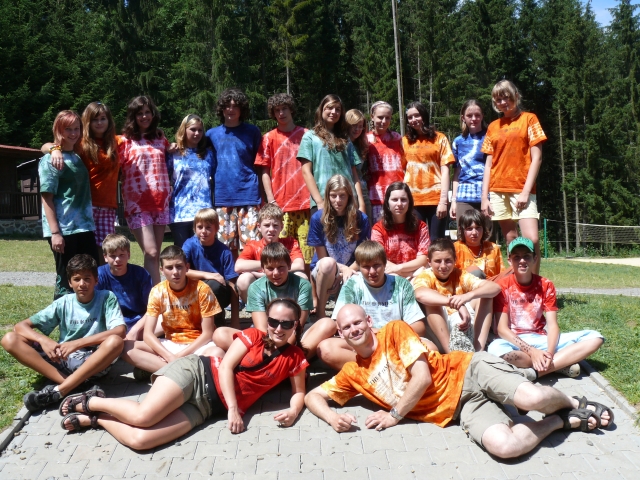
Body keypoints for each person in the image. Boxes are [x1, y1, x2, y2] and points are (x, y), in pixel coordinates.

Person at [304, 304, 614, 459]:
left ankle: (575, 401)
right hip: (460, 408)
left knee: (532, 400)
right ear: (340, 334)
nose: (354, 330)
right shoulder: (352, 374)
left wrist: (394, 415)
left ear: (368, 321)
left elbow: (422, 377)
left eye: (357, 322)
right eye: (347, 328)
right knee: (504, 447)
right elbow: (312, 397)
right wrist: (332, 418)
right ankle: (561, 421)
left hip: (468, 370)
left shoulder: (394, 331)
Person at [60, 299, 309, 449]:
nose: (278, 328)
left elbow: (299, 392)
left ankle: (97, 419)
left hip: (208, 408)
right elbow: (225, 367)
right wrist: (234, 409)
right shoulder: (253, 335)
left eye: (286, 324)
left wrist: (293, 411)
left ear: (295, 325)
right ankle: (91, 401)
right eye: (273, 321)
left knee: (140, 441)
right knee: (143, 417)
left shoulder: (295, 357)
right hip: (197, 374)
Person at [1, 254, 125, 412]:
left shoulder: (106, 298)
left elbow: (120, 331)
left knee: (115, 341)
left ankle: (60, 390)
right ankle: (76, 386)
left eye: (87, 279)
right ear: (70, 282)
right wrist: (44, 341)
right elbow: (20, 326)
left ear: (96, 280)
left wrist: (77, 343)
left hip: (93, 361)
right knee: (9, 339)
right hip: (63, 359)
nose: (82, 284)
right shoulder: (63, 302)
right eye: (77, 279)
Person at [489, 237, 604, 378]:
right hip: (514, 341)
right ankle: (559, 364)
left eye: (527, 256)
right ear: (509, 261)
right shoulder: (502, 286)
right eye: (516, 257)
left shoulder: (546, 285)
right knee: (496, 350)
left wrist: (549, 352)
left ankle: (537, 371)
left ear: (535, 259)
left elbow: (553, 325)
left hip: (540, 339)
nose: (522, 261)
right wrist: (532, 351)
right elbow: (502, 329)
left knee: (595, 337)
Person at [317, 241, 427, 370]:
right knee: (326, 348)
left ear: (385, 264)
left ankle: (376, 369)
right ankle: (382, 369)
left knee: (430, 348)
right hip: (362, 343)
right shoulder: (352, 284)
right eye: (366, 267)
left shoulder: (401, 285)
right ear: (358, 267)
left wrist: (382, 333)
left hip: (394, 341)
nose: (372, 271)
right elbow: (340, 323)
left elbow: (419, 327)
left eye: (376, 265)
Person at [215, 242, 334, 359]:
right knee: (220, 334)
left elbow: (299, 325)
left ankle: (278, 360)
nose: (276, 273)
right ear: (263, 269)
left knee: (328, 324)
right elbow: (262, 328)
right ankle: (292, 360)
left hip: (296, 333)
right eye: (270, 268)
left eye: (281, 268)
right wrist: (273, 346)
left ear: (289, 266)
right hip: (268, 335)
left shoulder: (303, 285)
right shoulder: (255, 287)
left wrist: (284, 348)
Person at [122, 245, 220, 379]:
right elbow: (148, 335)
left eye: (179, 266)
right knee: (126, 347)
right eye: (169, 267)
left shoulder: (202, 289)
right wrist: (169, 357)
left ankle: (165, 371)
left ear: (187, 267)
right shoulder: (157, 291)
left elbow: (208, 333)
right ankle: (186, 373)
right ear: (162, 270)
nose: (175, 272)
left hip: (198, 344)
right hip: (170, 344)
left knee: (217, 353)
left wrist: (178, 357)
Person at [481, 80, 547, 274]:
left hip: (521, 188)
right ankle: (519, 284)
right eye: (498, 99)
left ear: (516, 96)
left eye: (506, 97)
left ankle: (535, 283)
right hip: (497, 189)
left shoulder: (529, 119)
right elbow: (488, 164)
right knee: (511, 239)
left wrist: (525, 192)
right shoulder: (493, 126)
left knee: (531, 239)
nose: (503, 102)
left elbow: (537, 158)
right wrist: (484, 197)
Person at [41, 102, 121, 253]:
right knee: (86, 255)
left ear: (109, 120)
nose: (99, 123)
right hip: (85, 206)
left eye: (103, 118)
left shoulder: (116, 142)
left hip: (107, 205)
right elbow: (45, 146)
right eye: (94, 119)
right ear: (87, 122)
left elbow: (137, 137)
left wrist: (158, 133)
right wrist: (54, 149)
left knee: (106, 252)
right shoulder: (80, 143)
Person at [39, 110, 99, 298]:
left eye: (76, 129)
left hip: (84, 226)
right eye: (68, 129)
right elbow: (46, 198)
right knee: (66, 279)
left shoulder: (76, 155)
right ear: (58, 130)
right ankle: (62, 313)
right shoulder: (50, 159)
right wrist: (55, 233)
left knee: (89, 275)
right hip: (64, 229)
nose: (73, 133)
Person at [255, 93, 313, 272]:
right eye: (277, 110)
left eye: (284, 109)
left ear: (291, 110)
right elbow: (264, 171)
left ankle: (309, 288)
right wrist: (271, 200)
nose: (281, 113)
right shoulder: (268, 138)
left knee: (308, 253)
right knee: (281, 253)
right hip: (281, 205)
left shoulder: (307, 135)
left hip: (305, 204)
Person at [413, 238, 501, 353]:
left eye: (448, 261)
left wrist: (467, 296)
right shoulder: (426, 276)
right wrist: (456, 304)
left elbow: (495, 288)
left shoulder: (460, 274)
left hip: (460, 322)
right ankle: (451, 354)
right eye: (438, 261)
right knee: (432, 302)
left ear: (455, 260)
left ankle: (477, 350)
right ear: (429, 262)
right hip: (438, 330)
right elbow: (419, 294)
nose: (443, 266)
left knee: (485, 295)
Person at [118, 95, 172, 285]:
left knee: (155, 255)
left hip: (160, 202)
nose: (144, 116)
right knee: (151, 252)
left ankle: (153, 295)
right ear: (133, 116)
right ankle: (152, 297)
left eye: (147, 112)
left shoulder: (160, 138)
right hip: (137, 204)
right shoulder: (124, 141)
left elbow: (171, 154)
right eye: (139, 113)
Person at [206, 88, 262, 254]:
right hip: (223, 197)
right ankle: (230, 273)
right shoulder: (211, 134)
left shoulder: (252, 132)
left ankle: (249, 273)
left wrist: (264, 196)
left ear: (241, 109)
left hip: (249, 195)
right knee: (226, 248)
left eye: (235, 106)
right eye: (227, 106)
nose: (230, 109)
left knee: (251, 247)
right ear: (221, 109)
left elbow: (260, 165)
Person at [307, 175, 370, 319]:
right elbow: (322, 258)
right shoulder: (318, 219)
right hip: (325, 270)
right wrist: (343, 269)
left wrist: (346, 271)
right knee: (328, 264)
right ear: (327, 196)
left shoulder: (361, 219)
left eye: (342, 196)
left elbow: (363, 255)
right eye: (333, 196)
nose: (338, 200)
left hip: (352, 269)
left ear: (349, 196)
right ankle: (321, 313)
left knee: (344, 311)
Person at [297, 94, 365, 214]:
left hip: (348, 201)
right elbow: (306, 172)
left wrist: (361, 203)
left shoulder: (345, 138)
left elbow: (354, 174)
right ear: (321, 109)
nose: (334, 112)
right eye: (329, 107)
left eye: (337, 109)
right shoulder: (310, 137)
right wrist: (319, 202)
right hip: (323, 200)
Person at [403, 101, 455, 240]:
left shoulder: (440, 138)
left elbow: (445, 171)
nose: (414, 119)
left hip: (436, 199)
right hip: (413, 200)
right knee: (416, 240)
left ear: (424, 116)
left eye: (417, 115)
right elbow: (402, 171)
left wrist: (443, 201)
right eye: (410, 117)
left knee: (436, 241)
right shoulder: (405, 141)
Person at [235, 204, 306, 303]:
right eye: (267, 225)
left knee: (301, 276)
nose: (271, 229)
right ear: (259, 227)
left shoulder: (290, 243)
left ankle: (294, 310)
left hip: (284, 282)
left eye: (275, 225)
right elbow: (238, 266)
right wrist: (272, 267)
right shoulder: (253, 245)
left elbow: (299, 265)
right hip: (262, 288)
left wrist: (263, 272)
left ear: (281, 227)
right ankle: (256, 309)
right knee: (244, 279)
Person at [182, 208, 239, 328]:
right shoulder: (189, 244)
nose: (203, 231)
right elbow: (182, 270)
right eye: (200, 227)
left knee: (213, 285)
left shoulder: (224, 252)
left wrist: (235, 321)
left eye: (208, 227)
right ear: (194, 228)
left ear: (216, 229)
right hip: (194, 291)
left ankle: (216, 318)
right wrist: (209, 275)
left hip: (218, 292)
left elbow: (232, 285)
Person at [167, 114, 214, 247]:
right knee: (182, 254)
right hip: (179, 213)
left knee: (203, 254)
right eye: (193, 129)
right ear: (184, 130)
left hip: (203, 213)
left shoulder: (208, 154)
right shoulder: (173, 153)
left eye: (200, 130)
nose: (197, 133)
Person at [96, 233, 155, 341]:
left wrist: (135, 330)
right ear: (105, 257)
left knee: (163, 319)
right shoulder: (99, 275)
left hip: (139, 321)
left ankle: (128, 340)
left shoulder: (141, 274)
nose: (117, 259)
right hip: (111, 323)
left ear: (128, 255)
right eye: (112, 256)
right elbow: (95, 308)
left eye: (122, 255)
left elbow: (152, 308)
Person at [371, 182, 430, 279]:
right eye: (394, 200)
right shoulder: (378, 229)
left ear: (409, 202)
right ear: (387, 203)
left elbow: (423, 259)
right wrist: (405, 274)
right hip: (390, 274)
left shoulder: (421, 227)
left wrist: (399, 268)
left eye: (403, 200)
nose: (399, 204)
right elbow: (378, 258)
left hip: (416, 273)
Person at [365, 101, 405, 222]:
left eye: (387, 118)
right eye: (380, 117)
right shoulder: (366, 139)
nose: (384, 121)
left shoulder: (397, 138)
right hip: (375, 196)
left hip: (397, 195)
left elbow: (405, 164)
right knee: (378, 230)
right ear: (372, 117)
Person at [450, 100, 488, 220]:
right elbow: (456, 173)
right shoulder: (458, 142)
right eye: (469, 115)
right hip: (463, 195)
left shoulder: (490, 138)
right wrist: (453, 201)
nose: (473, 119)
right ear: (463, 118)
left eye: (477, 115)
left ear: (482, 116)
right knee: (463, 230)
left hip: (487, 195)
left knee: (486, 231)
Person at [454, 209, 503, 279]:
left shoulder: (493, 248)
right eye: (469, 229)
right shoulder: (455, 248)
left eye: (478, 228)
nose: (474, 232)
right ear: (461, 229)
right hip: (465, 284)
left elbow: (501, 276)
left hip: (490, 284)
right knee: (476, 272)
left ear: (484, 228)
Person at [345, 109, 372, 220]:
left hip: (362, 191)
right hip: (346, 192)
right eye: (354, 125)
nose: (357, 129)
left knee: (366, 225)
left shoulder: (361, 145)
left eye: (360, 126)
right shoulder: (341, 144)